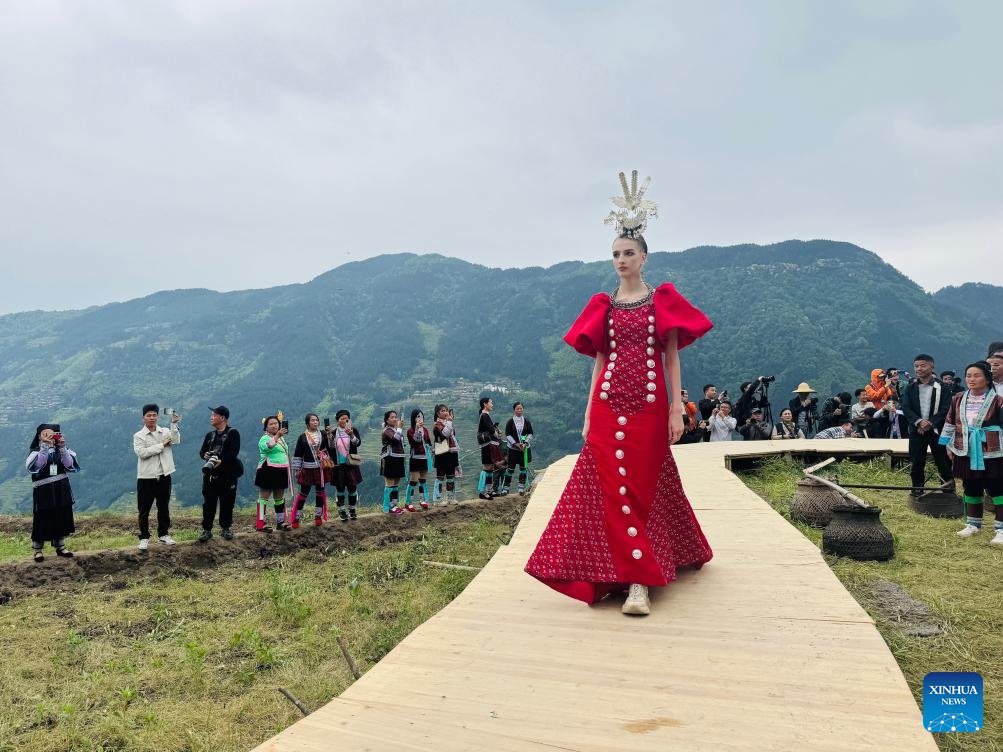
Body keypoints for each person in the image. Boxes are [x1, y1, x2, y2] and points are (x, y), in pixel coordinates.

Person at [526, 171, 714, 617]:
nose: (621, 260)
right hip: (609, 406)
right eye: (615, 254)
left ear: (644, 257)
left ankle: (640, 579)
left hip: (649, 407)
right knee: (610, 488)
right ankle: (630, 579)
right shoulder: (604, 306)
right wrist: (588, 413)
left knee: (644, 485)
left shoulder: (660, 301)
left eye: (628, 253)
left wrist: (676, 409)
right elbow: (599, 363)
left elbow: (671, 360)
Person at [940, 361, 1003, 545]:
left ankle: (1001, 529)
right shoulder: (958, 398)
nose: (971, 379)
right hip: (964, 449)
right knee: (970, 486)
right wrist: (946, 444)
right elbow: (950, 421)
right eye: (968, 375)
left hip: (991, 450)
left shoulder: (998, 401)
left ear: (987, 379)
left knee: (997, 488)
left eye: (977, 375)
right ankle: (973, 524)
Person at [26, 424, 79, 561]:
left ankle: (60, 546)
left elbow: (69, 464)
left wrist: (62, 447)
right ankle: (38, 549)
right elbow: (37, 466)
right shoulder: (36, 451)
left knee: (61, 514)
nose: (49, 436)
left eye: (52, 434)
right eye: (45, 434)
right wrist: (44, 447)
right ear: (39, 436)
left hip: (61, 487)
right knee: (42, 517)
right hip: (44, 489)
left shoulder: (60, 449)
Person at [901, 354, 953, 493]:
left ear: (932, 366)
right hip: (917, 430)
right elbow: (906, 407)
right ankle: (917, 488)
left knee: (943, 461)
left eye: (922, 365)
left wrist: (931, 422)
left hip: (937, 430)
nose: (919, 369)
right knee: (916, 461)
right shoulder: (910, 387)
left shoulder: (943, 387)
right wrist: (918, 422)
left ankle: (948, 488)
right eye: (916, 366)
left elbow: (946, 409)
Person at [133, 404, 180, 550]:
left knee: (163, 506)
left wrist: (174, 424)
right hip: (146, 477)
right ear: (143, 418)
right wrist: (161, 445)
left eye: (154, 415)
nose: (152, 418)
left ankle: (163, 534)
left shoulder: (165, 431)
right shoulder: (138, 435)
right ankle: (144, 537)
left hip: (164, 474)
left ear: (158, 416)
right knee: (144, 509)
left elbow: (176, 440)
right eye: (149, 415)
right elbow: (142, 453)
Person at [198, 406, 241, 542]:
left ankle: (225, 528)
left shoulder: (233, 433)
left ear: (222, 418)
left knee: (227, 502)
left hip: (228, 475)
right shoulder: (210, 435)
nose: (211, 417)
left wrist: (221, 461)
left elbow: (234, 452)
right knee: (208, 503)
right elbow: (202, 452)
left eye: (214, 415)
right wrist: (204, 455)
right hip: (211, 475)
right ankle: (207, 530)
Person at [291, 413, 331, 527]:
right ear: (307, 423)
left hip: (320, 468)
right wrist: (297, 470)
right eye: (312, 420)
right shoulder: (302, 437)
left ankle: (318, 516)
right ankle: (296, 518)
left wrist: (329, 436)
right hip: (307, 469)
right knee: (303, 493)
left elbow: (331, 446)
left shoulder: (323, 434)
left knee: (320, 492)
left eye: (316, 420)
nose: (315, 422)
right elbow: (298, 454)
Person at [254, 416, 291, 531]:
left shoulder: (281, 439)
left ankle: (281, 522)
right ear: (266, 427)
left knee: (279, 497)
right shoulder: (264, 438)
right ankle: (260, 523)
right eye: (271, 424)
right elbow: (268, 447)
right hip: (267, 469)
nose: (274, 425)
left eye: (276, 423)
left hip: (281, 469)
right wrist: (278, 436)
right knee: (264, 497)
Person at [329, 410, 363, 521]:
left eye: (346, 418)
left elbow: (357, 443)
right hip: (338, 465)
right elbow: (331, 447)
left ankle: (352, 509)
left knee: (352, 487)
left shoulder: (353, 430)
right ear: (337, 420)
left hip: (351, 464)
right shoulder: (334, 432)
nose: (344, 420)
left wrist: (351, 434)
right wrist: (329, 437)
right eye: (342, 418)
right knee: (340, 488)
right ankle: (341, 510)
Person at [501, 402, 535, 496]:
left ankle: (521, 488)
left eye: (521, 408)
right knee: (510, 469)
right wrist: (515, 444)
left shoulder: (526, 421)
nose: (519, 410)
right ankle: (505, 489)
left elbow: (530, 433)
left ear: (523, 409)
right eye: (517, 409)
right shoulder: (510, 422)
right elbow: (508, 434)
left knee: (523, 468)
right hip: (513, 449)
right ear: (514, 410)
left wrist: (525, 443)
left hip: (524, 449)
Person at [477, 397, 506, 499]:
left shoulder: (485, 415)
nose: (492, 405)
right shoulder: (485, 415)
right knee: (487, 467)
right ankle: (482, 491)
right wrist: (497, 434)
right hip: (487, 445)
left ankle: (489, 490)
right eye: (491, 403)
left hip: (489, 444)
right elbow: (491, 430)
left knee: (490, 468)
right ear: (485, 404)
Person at [432, 403, 459, 505]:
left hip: (451, 452)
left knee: (451, 476)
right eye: (442, 411)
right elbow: (445, 434)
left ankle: (450, 497)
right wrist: (449, 422)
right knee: (440, 476)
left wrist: (449, 422)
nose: (445, 412)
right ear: (438, 413)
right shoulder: (437, 425)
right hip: (442, 453)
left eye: (446, 410)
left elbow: (452, 435)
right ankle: (437, 499)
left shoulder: (448, 423)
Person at [380, 410, 406, 514]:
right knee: (390, 482)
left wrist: (398, 429)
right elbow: (395, 440)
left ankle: (394, 505)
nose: (395, 419)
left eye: (395, 417)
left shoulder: (395, 430)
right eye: (392, 417)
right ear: (387, 420)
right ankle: (387, 506)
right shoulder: (386, 431)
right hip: (389, 458)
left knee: (396, 482)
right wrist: (399, 428)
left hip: (398, 457)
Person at [405, 409, 432, 511]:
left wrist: (431, 451)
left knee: (423, 480)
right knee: (414, 480)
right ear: (414, 418)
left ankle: (422, 500)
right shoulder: (410, 430)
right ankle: (408, 502)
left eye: (421, 416)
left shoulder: (425, 430)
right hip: (415, 457)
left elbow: (428, 442)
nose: (420, 418)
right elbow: (414, 443)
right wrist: (417, 429)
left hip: (425, 457)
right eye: (418, 416)